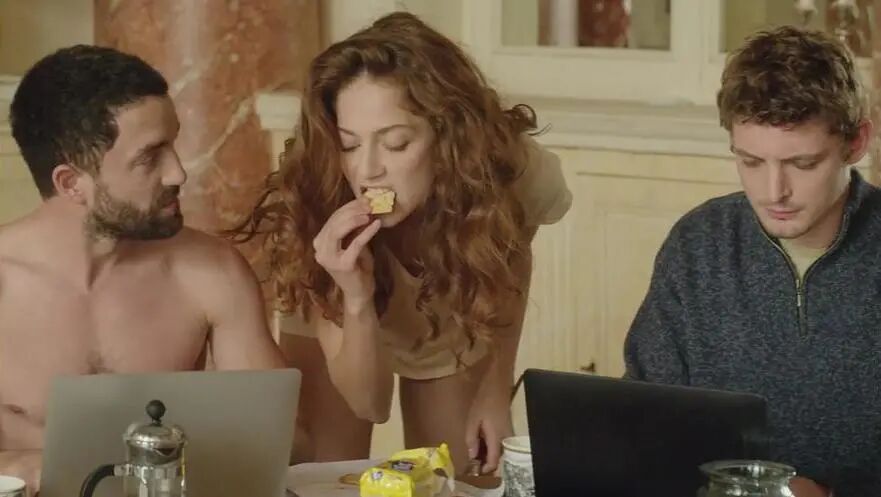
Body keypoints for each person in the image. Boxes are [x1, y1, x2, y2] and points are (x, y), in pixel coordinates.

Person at [234, 12, 571, 473]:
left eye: (395, 144)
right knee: (327, 474)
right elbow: (370, 405)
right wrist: (355, 297)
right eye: (350, 144)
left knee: (452, 478)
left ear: (449, 138)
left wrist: (495, 390)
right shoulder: (316, 196)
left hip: (445, 298)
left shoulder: (512, 171)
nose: (368, 171)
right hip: (341, 290)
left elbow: (511, 262)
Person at [0, 45, 285, 492]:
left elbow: (288, 442)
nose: (178, 173)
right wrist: (18, 465)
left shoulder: (211, 274)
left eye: (173, 144)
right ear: (71, 183)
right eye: (150, 157)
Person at [624, 26, 879, 497]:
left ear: (857, 142)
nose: (773, 192)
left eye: (803, 164)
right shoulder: (698, 245)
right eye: (751, 162)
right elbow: (643, 424)